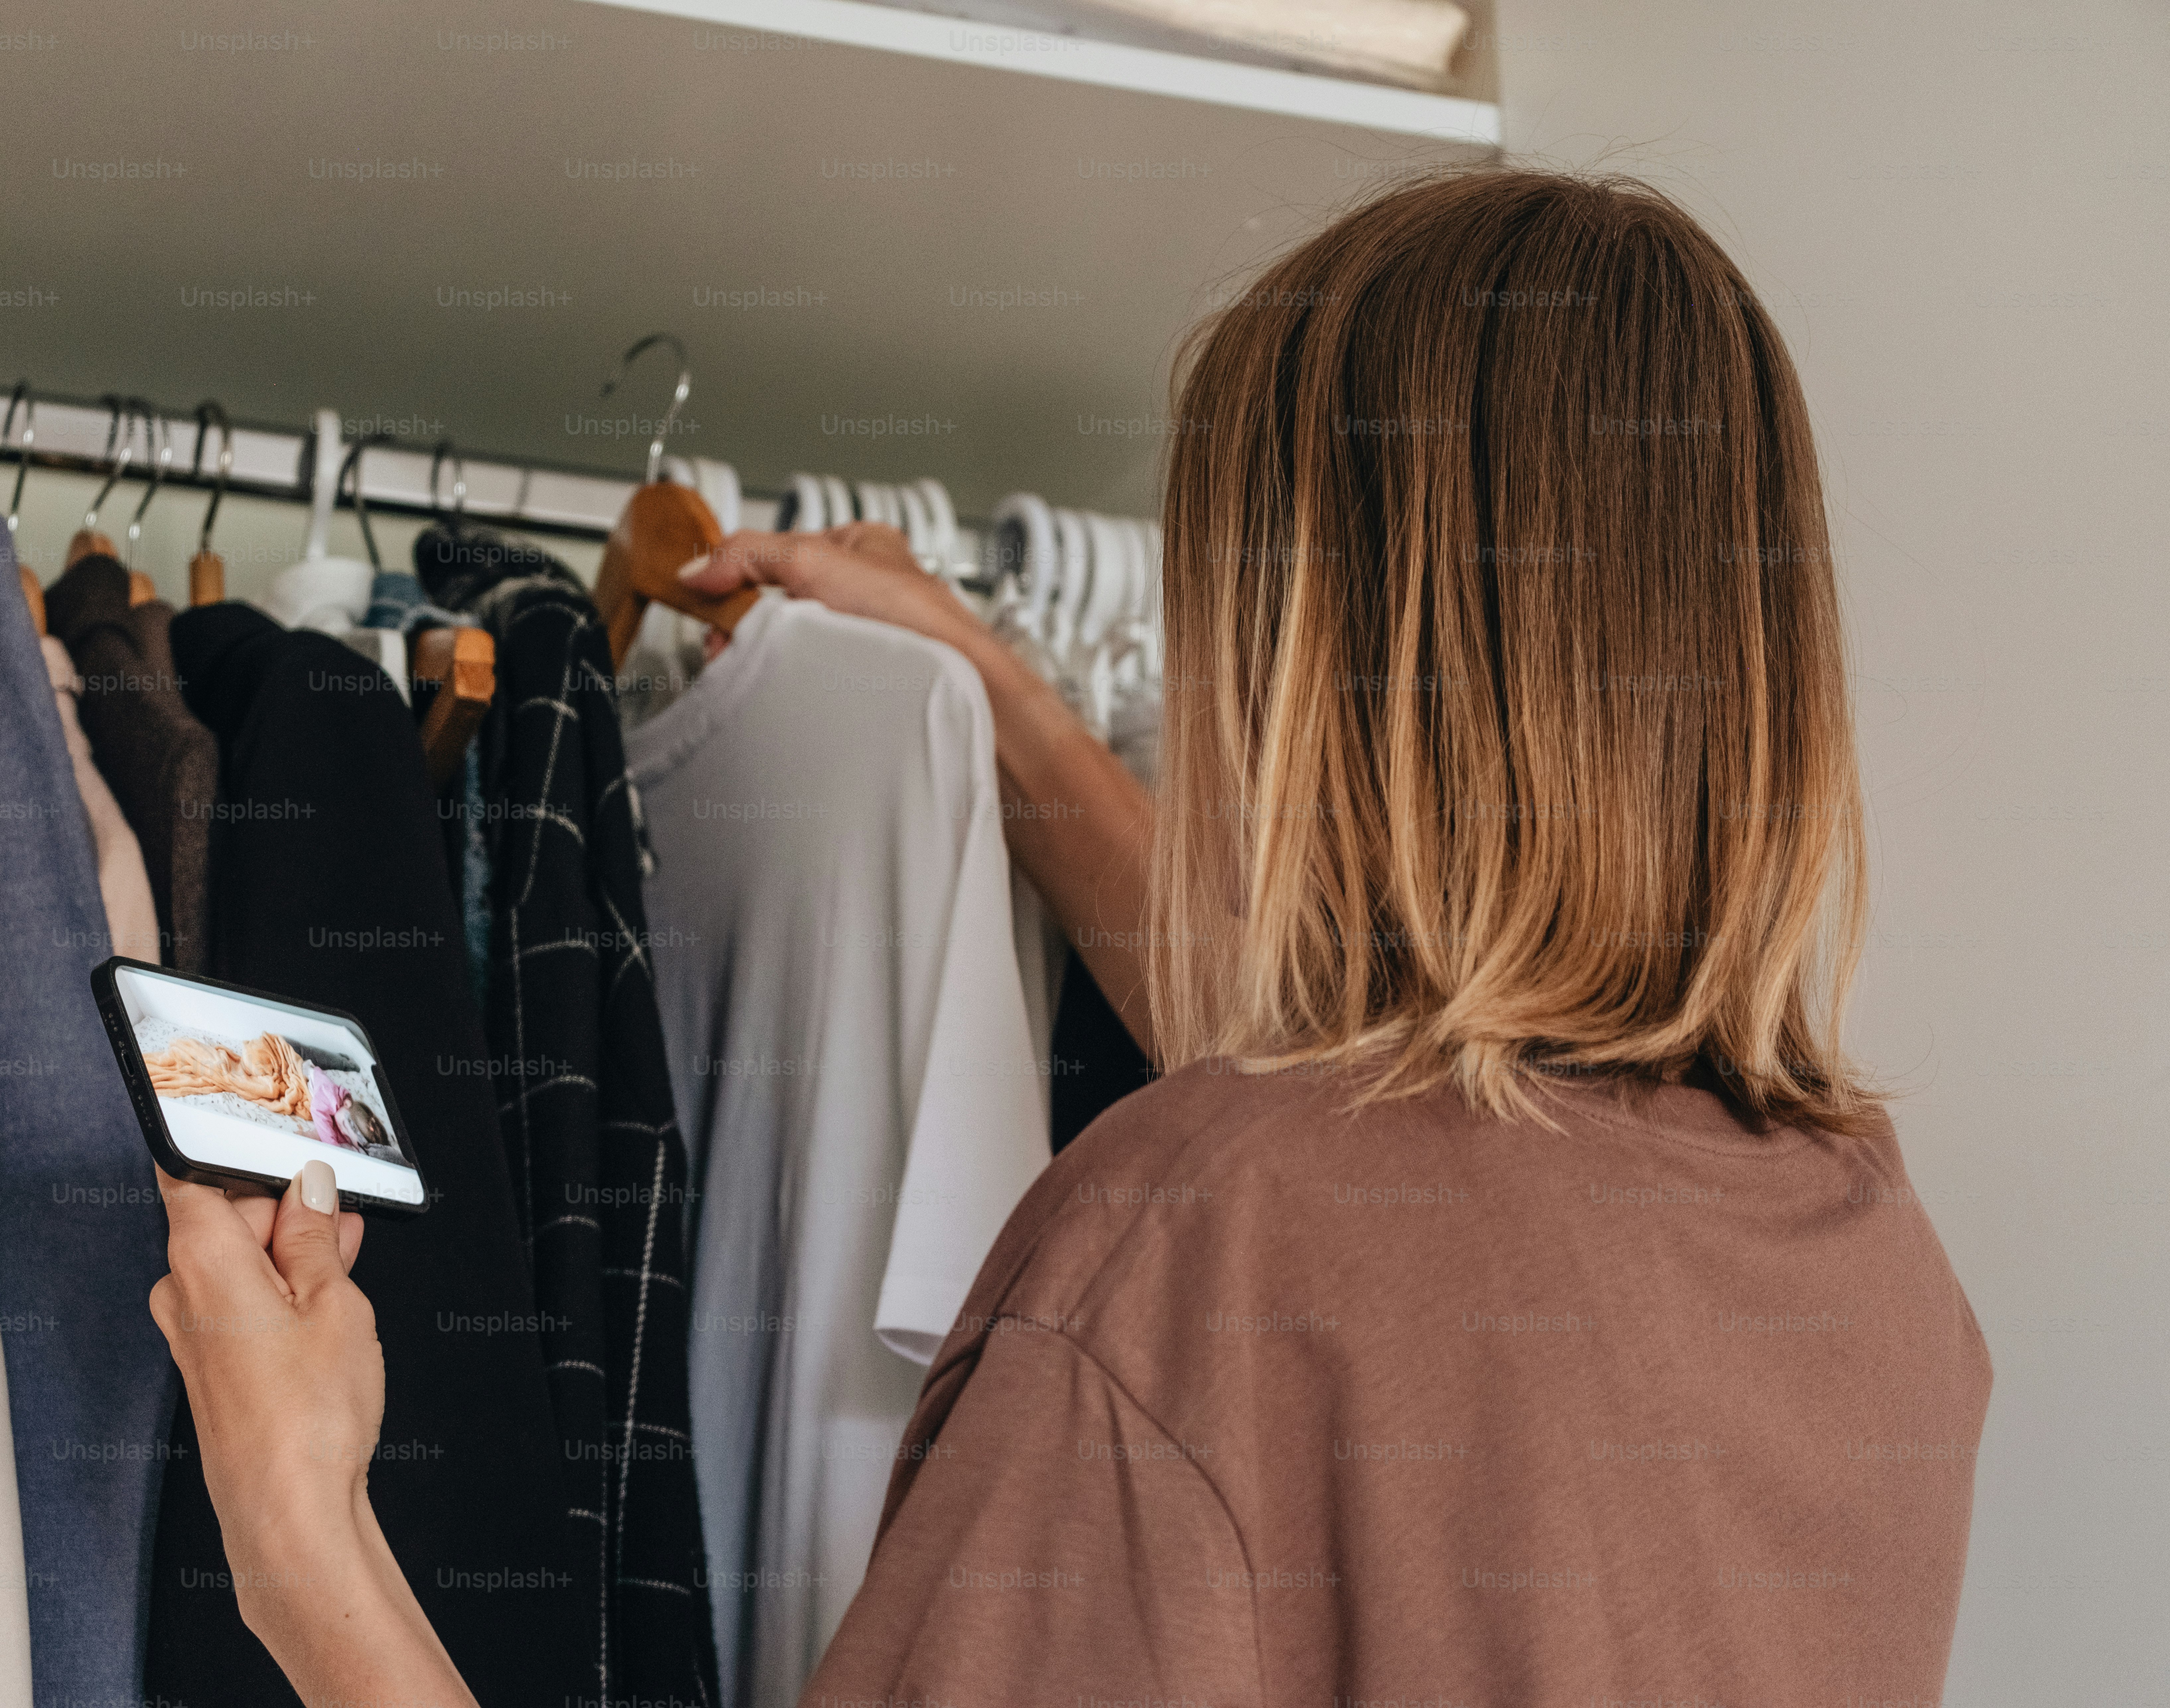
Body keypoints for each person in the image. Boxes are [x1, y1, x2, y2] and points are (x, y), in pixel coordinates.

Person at [151, 167, 1990, 1708]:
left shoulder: (1208, 1231)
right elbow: (1427, 1204)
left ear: (1312, 664)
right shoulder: (1870, 1267)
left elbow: (1318, 1214)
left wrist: (302, 1544)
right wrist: (1002, 704)